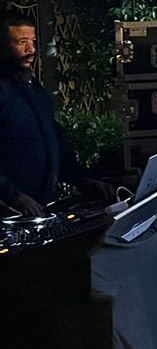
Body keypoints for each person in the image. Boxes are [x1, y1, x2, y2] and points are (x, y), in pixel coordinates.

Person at [0, 11, 102, 216]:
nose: (31, 50)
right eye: (21, 42)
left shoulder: (34, 89)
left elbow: (55, 139)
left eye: (33, 41)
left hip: (39, 209)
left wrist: (83, 180)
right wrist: (13, 196)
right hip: (9, 214)